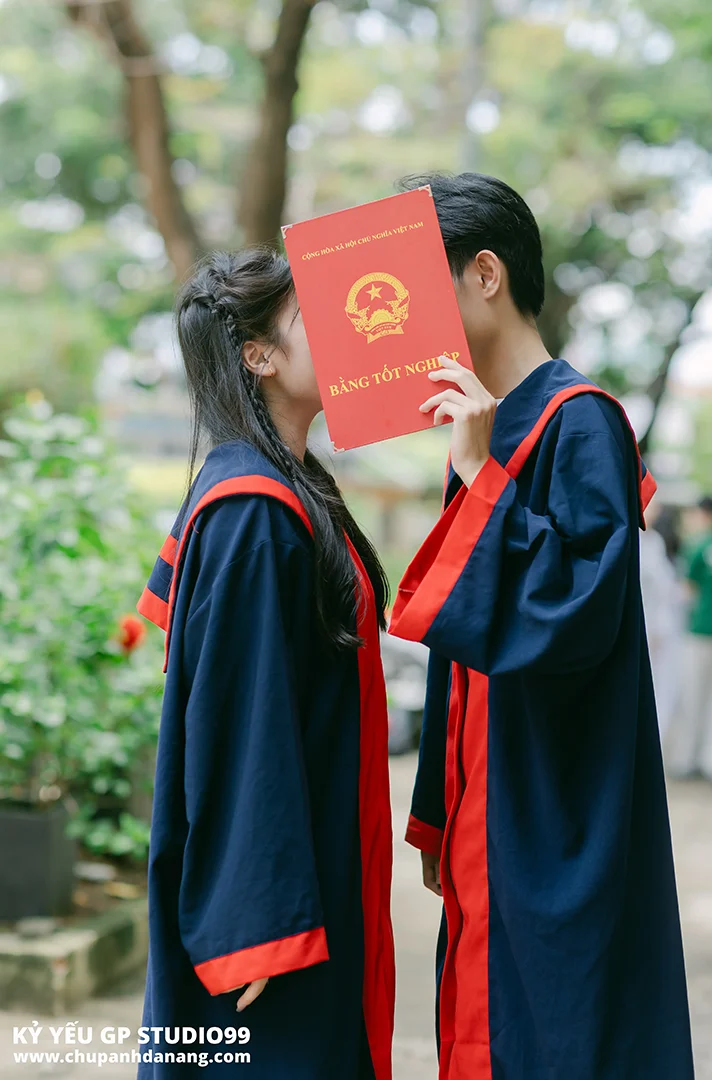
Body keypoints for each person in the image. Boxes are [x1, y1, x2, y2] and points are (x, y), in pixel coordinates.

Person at [388, 173, 694, 1080]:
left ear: (485, 274)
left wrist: (481, 478)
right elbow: (462, 642)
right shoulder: (485, 422)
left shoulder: (581, 420)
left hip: (556, 795)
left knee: (558, 1028)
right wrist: (440, 805)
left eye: (421, 286)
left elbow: (577, 615)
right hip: (490, 790)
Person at [136, 249, 394, 1078]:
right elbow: (242, 724)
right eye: (311, 316)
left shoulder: (287, 483)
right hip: (278, 914)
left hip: (318, 846)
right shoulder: (253, 508)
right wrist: (256, 923)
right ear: (259, 355)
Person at [664, 495, 712, 781]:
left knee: (693, 696)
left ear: (706, 515)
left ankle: (688, 758)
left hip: (700, 630)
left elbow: (686, 590)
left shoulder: (698, 546)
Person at [639, 499, 685, 739]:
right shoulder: (632, 539)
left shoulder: (654, 541)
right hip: (644, 623)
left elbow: (664, 588)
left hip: (661, 625)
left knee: (662, 683)